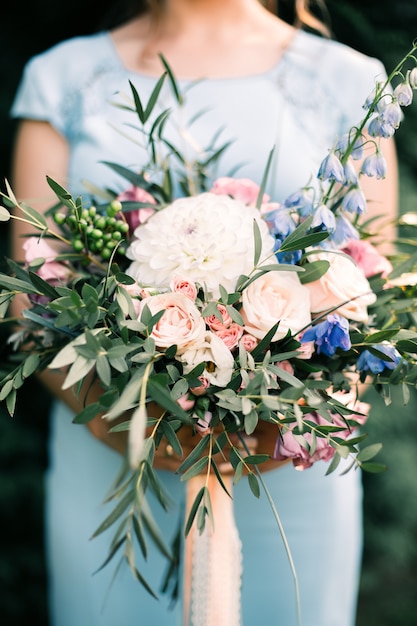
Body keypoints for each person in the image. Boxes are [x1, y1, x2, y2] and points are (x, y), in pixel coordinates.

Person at [9, 1, 398, 624]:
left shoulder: (351, 82)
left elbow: (376, 283)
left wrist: (285, 426)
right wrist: (128, 431)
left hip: (288, 467)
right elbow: (32, 302)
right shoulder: (62, 78)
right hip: (110, 458)